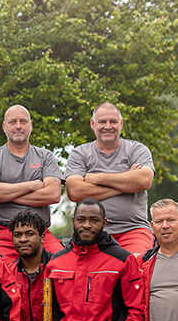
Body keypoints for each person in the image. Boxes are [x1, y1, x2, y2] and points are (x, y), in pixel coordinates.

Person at [64, 103, 155, 254]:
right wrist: (126, 183)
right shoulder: (79, 153)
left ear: (121, 123)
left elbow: (144, 181)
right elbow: (75, 191)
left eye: (113, 121)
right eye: (102, 122)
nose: (108, 126)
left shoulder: (137, 149)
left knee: (135, 265)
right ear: (92, 124)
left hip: (133, 230)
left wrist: (98, 178)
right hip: (91, 233)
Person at [0, 105, 65, 260]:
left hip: (40, 233)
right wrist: (32, 185)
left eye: (23, 121)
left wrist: (5, 196)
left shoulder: (46, 156)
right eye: (13, 122)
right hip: (1, 232)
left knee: (61, 262)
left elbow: (53, 194)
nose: (18, 126)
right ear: (4, 126)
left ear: (30, 125)